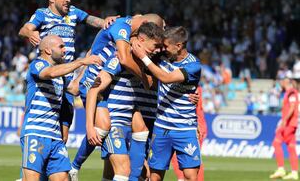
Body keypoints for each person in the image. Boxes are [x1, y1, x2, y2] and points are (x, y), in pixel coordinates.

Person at [18, 0, 118, 143]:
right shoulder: (42, 14)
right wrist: (30, 33)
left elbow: (95, 21)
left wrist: (108, 21)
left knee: (63, 135)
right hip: (49, 76)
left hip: (67, 77)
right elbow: (24, 29)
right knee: (43, 122)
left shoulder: (73, 12)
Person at [69, 14, 164, 181]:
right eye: (155, 45)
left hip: (126, 118)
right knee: (121, 167)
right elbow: (121, 60)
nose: (157, 50)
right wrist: (90, 127)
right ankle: (75, 166)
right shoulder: (120, 54)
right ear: (141, 37)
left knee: (139, 139)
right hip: (105, 107)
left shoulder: (140, 54)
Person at [20, 35, 101, 181]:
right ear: (48, 50)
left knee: (63, 178)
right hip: (36, 133)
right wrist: (81, 61)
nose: (65, 49)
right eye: (61, 46)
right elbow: (49, 73)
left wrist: (86, 64)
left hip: (55, 137)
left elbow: (75, 89)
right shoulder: (37, 64)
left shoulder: (60, 75)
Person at [132, 26, 202, 181]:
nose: (162, 49)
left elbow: (166, 78)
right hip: (162, 127)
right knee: (155, 176)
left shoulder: (193, 65)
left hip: (185, 128)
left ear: (179, 46)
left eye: (166, 46)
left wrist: (144, 58)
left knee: (191, 176)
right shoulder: (161, 56)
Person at [171, 86, 207, 181]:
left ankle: (182, 178)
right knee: (187, 158)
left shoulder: (193, 86)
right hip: (186, 125)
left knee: (192, 158)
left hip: (194, 125)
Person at [269, 72, 299, 180]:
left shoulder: (291, 93)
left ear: (286, 81)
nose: (280, 82)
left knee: (276, 142)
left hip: (289, 123)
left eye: (281, 80)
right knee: (291, 148)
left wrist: (284, 121)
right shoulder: (289, 92)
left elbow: (292, 107)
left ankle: (281, 169)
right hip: (292, 123)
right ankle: (294, 173)